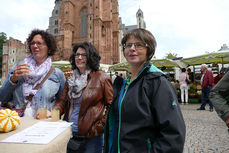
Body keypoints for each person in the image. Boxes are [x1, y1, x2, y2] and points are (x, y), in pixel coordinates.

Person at [104, 28, 186, 153]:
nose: (132, 48)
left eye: (139, 45)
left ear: (149, 51)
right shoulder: (125, 83)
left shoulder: (157, 81)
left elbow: (173, 135)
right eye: (128, 45)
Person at [53, 42, 113, 153]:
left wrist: (99, 127)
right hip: (70, 132)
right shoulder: (71, 80)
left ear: (90, 57)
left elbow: (111, 106)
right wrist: (54, 112)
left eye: (83, 55)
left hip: (91, 137)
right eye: (77, 55)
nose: (79, 57)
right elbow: (62, 101)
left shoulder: (102, 78)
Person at [0, 29, 66, 117]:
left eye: (39, 43)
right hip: (19, 121)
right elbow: (3, 97)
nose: (35, 46)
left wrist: (51, 112)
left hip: (43, 123)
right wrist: (13, 79)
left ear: (49, 48)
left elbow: (63, 101)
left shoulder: (57, 74)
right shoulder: (18, 68)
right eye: (32, 43)